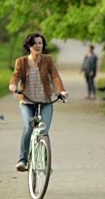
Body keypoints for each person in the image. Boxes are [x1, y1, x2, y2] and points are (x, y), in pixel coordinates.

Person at [9, 33, 68, 172]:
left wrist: (61, 91)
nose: (37, 46)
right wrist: (13, 85)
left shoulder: (48, 60)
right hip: (27, 102)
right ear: (29, 46)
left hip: (46, 101)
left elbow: (55, 76)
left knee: (43, 131)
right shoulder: (21, 61)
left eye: (40, 43)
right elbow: (15, 75)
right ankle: (23, 160)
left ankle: (45, 163)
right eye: (34, 43)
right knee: (29, 127)